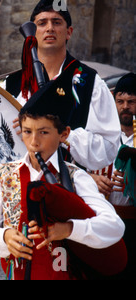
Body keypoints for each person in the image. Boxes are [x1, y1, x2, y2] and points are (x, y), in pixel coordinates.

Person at [0, 78, 125, 280]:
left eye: (44, 132)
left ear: (63, 134)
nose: (34, 142)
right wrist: (4, 237)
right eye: (27, 132)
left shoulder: (76, 177)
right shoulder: (4, 174)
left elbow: (114, 227)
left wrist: (69, 229)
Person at [5, 0, 120, 172]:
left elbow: (109, 147)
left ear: (69, 32)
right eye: (42, 23)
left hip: (69, 187)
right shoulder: (13, 84)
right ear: (32, 34)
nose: (49, 28)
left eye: (56, 22)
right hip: (18, 181)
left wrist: (64, 136)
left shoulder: (90, 83)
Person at [89, 72, 136, 279]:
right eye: (121, 101)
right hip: (102, 218)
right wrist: (92, 178)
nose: (125, 106)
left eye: (132, 101)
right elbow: (72, 167)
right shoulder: (100, 134)